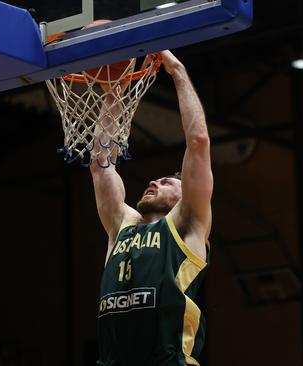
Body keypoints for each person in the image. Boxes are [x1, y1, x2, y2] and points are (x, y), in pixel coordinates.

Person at [90, 50, 213, 366]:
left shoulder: (186, 224)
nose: (154, 183)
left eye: (167, 182)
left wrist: (177, 70)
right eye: (154, 181)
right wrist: (114, 92)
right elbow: (101, 164)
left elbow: (198, 141)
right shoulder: (122, 224)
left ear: (184, 198)